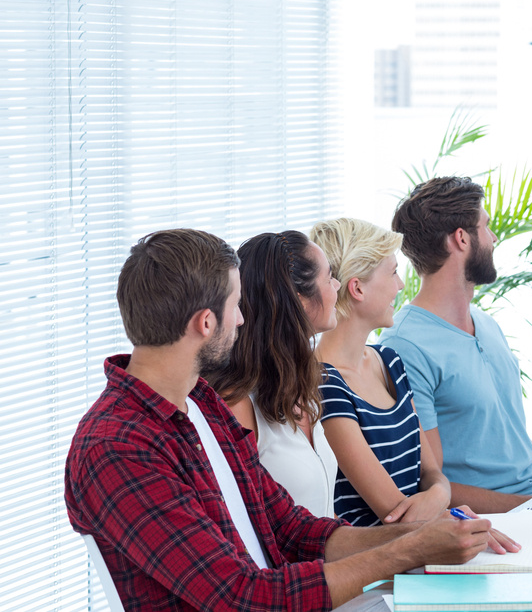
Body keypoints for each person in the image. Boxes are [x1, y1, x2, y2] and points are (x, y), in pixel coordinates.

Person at [65, 228, 502, 611]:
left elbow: (293, 530)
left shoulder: (200, 404)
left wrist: (424, 536)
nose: (241, 318)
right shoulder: (118, 446)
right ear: (205, 322)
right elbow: (243, 597)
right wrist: (407, 551)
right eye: (235, 306)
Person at [379, 177, 532, 513]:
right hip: (492, 521)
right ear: (462, 238)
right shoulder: (404, 345)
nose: (494, 237)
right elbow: (430, 483)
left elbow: (512, 439)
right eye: (486, 226)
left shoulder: (486, 323)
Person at [310, 219, 459, 529]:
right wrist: (444, 505)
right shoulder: (322, 383)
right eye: (392, 273)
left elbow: (432, 472)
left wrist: (441, 496)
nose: (400, 285)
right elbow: (394, 515)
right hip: (378, 563)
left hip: (421, 543)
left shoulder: (389, 361)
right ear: (358, 287)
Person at [206, 231, 341, 518]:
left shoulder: (301, 386)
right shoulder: (237, 405)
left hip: (330, 558)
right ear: (299, 300)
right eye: (329, 278)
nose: (337, 285)